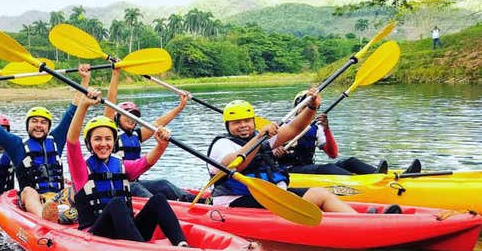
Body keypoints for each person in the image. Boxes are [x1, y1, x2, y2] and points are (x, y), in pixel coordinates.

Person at [0, 64, 92, 222]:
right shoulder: (16, 145)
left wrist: (85, 80)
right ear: (27, 125)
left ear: (48, 127)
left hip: (58, 197)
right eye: (34, 121)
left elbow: (72, 112)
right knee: (28, 191)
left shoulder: (56, 140)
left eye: (43, 122)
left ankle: (78, 215)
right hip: (34, 200)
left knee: (77, 187)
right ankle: (46, 218)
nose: (39, 125)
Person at [67, 88, 188, 246]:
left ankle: (182, 244)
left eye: (108, 139)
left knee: (158, 199)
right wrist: (83, 105)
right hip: (96, 235)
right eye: (97, 139)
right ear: (89, 144)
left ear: (114, 142)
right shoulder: (81, 169)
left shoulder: (121, 165)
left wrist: (161, 145)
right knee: (117, 203)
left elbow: (146, 162)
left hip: (127, 232)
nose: (103, 144)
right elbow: (72, 142)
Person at [207, 93, 361, 213]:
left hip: (271, 195)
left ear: (253, 121)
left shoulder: (261, 138)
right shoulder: (222, 144)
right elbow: (236, 165)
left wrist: (311, 108)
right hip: (234, 199)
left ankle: (358, 222)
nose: (243, 126)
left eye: (247, 121)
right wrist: (260, 137)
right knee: (301, 200)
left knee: (319, 194)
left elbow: (294, 129)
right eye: (236, 123)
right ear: (228, 125)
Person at [103, 67, 194, 202]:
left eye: (134, 116)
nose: (131, 119)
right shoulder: (110, 134)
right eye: (127, 115)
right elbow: (110, 106)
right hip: (116, 186)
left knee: (164, 184)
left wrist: (180, 107)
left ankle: (198, 201)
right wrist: (116, 74)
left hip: (134, 182)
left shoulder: (136, 136)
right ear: (117, 118)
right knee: (138, 189)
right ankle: (159, 207)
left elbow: (158, 123)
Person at [276, 91, 421, 175]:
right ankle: (362, 183)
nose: (308, 111)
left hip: (308, 166)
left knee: (350, 161)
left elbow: (332, 154)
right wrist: (275, 151)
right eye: (304, 107)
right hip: (291, 170)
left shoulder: (316, 127)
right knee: (327, 168)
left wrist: (327, 130)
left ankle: (392, 176)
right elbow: (265, 151)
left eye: (311, 107)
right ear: (297, 109)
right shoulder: (285, 127)